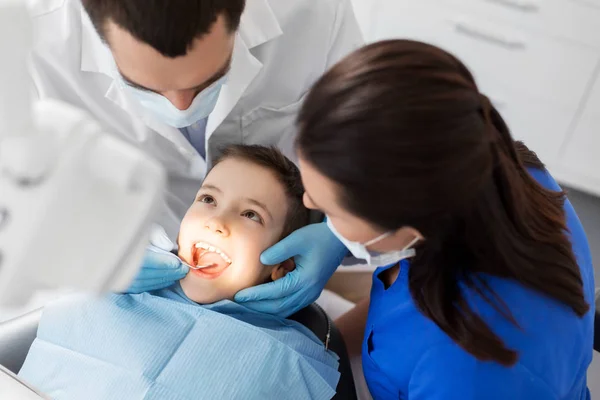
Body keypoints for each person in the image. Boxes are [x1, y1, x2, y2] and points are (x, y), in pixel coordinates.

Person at [294, 40, 596, 399]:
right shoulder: (499, 174)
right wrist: (323, 344)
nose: (306, 200)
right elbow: (399, 316)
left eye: (331, 210)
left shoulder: (463, 367)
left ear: (408, 228)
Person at [27, 0, 361, 316]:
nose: (181, 107)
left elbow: (365, 140)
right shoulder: (27, 40)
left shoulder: (312, 12)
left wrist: (339, 232)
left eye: (210, 79)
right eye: (147, 87)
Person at [18, 145, 341, 400]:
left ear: (282, 265)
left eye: (250, 214)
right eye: (208, 198)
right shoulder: (111, 288)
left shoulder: (288, 362)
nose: (216, 222)